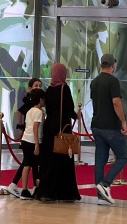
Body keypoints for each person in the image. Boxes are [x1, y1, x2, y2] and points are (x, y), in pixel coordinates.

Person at [33, 63, 80, 202]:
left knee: (49, 159)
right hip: (62, 126)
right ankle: (64, 193)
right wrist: (76, 115)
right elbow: (68, 108)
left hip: (50, 127)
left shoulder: (49, 90)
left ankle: (46, 192)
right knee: (63, 158)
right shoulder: (64, 88)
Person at [89, 53, 127, 206]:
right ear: (113, 66)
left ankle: (100, 195)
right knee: (123, 157)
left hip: (96, 125)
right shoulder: (113, 81)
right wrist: (123, 121)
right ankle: (105, 184)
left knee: (100, 159)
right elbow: (116, 102)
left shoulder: (94, 82)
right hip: (111, 126)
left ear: (101, 65)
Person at [7, 88, 43, 198]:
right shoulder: (39, 112)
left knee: (27, 164)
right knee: (30, 165)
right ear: (41, 99)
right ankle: (26, 189)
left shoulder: (30, 111)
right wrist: (37, 143)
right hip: (32, 141)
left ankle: (24, 189)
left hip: (26, 140)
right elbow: (35, 128)